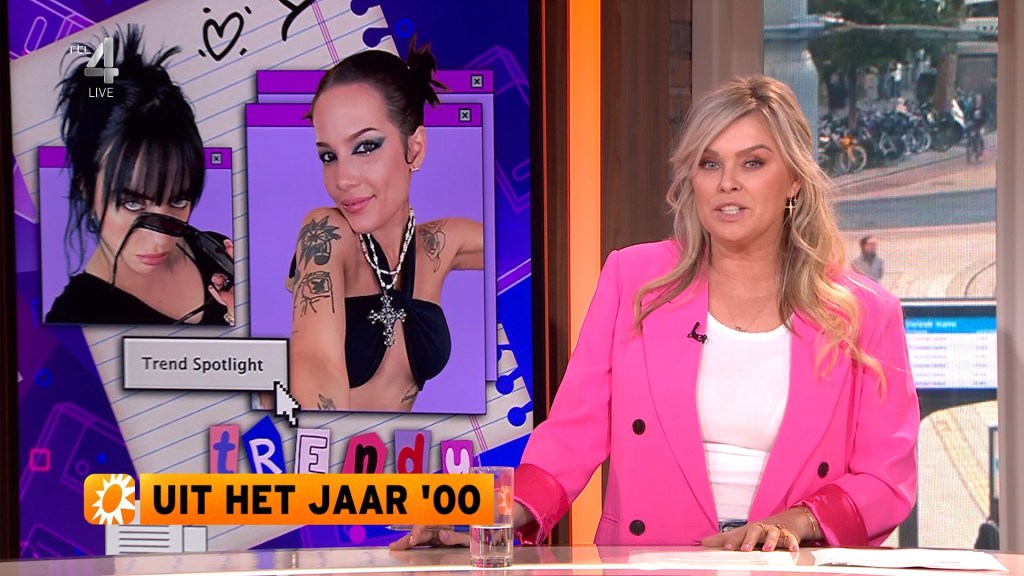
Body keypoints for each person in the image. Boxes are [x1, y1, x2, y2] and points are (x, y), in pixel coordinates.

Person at [392, 75, 918, 551]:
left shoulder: (864, 313)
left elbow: (886, 478)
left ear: (795, 180)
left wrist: (798, 522)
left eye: (752, 163)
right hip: (651, 559)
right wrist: (490, 512)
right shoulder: (636, 280)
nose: (727, 182)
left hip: (793, 562)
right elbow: (572, 433)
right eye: (709, 164)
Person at [286, 44, 484, 413]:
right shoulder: (326, 232)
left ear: (415, 148)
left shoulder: (438, 244)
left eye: (365, 147)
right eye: (328, 156)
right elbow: (314, 358)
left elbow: (537, 250)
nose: (342, 179)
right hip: (330, 447)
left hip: (401, 449)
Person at [46, 25, 234, 326]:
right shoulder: (73, 318)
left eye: (178, 200)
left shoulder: (216, 252)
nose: (160, 239)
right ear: (86, 189)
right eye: (133, 203)